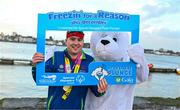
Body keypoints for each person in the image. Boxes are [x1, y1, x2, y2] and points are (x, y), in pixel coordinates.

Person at [31, 31, 107, 110]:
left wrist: (101, 89)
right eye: (72, 39)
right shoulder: (56, 57)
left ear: (83, 42)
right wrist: (36, 66)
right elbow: (39, 79)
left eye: (79, 39)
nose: (76, 43)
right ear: (66, 41)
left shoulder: (90, 61)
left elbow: (97, 91)